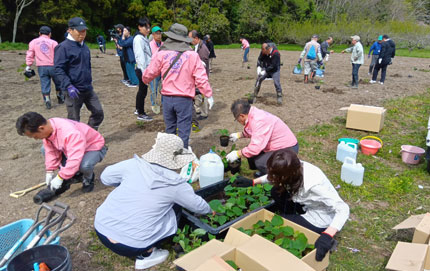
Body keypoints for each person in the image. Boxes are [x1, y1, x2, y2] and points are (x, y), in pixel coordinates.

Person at [94, 133, 212, 270]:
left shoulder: (133, 165)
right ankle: (147, 255)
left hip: (101, 229)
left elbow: (106, 177)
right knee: (176, 206)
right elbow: (198, 206)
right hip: (133, 245)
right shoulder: (175, 183)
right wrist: (210, 210)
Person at [233, 149, 349, 262]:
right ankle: (293, 217)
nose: (274, 178)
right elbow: (274, 176)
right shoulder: (293, 167)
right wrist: (252, 182)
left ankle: (320, 234)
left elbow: (343, 209)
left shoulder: (315, 185)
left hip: (320, 215)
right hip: (305, 203)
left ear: (288, 175)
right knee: (276, 191)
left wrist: (327, 235)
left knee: (283, 225)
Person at [142, 23, 214, 149]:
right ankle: (181, 156)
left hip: (167, 99)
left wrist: (144, 79)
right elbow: (201, 78)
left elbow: (150, 72)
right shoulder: (192, 55)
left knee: (170, 130)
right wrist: (208, 94)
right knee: (183, 131)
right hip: (184, 99)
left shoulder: (162, 53)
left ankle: (171, 156)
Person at [16, 112, 107, 193]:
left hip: (92, 147)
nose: (36, 139)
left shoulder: (70, 132)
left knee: (84, 165)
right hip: (71, 149)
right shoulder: (49, 127)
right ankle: (74, 175)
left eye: (35, 136)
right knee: (44, 148)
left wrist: (61, 177)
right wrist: (50, 170)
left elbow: (74, 158)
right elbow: (51, 151)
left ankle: (88, 179)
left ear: (41, 128)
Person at [54, 17, 104, 130]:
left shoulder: (85, 47)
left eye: (84, 31)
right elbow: (58, 69)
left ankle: (90, 134)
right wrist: (68, 85)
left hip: (87, 88)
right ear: (70, 30)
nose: (82, 34)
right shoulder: (63, 48)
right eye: (79, 31)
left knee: (98, 112)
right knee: (73, 120)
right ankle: (76, 143)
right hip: (73, 90)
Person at [226, 99, 298, 177]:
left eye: (237, 120)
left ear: (242, 116)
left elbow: (256, 147)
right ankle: (266, 172)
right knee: (251, 155)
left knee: (260, 162)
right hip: (277, 145)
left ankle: (277, 177)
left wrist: (238, 153)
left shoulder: (259, 120)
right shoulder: (252, 113)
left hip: (288, 148)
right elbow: (255, 131)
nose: (238, 121)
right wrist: (240, 135)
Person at [25, 26, 64, 109]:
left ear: (39, 33)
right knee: (58, 83)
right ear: (50, 34)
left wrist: (28, 65)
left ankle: (47, 99)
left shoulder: (33, 42)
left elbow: (30, 54)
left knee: (44, 83)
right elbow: (59, 55)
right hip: (54, 66)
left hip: (41, 67)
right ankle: (60, 97)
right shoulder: (54, 43)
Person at [133, 18, 153, 121]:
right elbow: (140, 56)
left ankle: (138, 109)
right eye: (146, 27)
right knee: (143, 91)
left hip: (144, 69)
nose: (148, 29)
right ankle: (141, 113)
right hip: (142, 69)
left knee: (141, 90)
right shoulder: (138, 39)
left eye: (149, 27)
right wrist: (144, 72)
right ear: (139, 27)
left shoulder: (143, 37)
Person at [189, 30, 210, 121]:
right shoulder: (197, 46)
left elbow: (204, 64)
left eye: (190, 38)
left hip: (201, 75)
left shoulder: (203, 48)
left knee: (202, 94)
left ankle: (204, 113)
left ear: (196, 38)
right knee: (199, 93)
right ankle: (199, 110)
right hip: (198, 75)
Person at [149, 26, 163, 114]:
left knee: (164, 88)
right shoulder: (150, 45)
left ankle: (164, 103)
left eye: (160, 33)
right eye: (157, 33)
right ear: (153, 35)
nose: (159, 35)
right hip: (154, 71)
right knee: (153, 89)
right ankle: (154, 104)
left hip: (163, 71)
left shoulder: (164, 45)